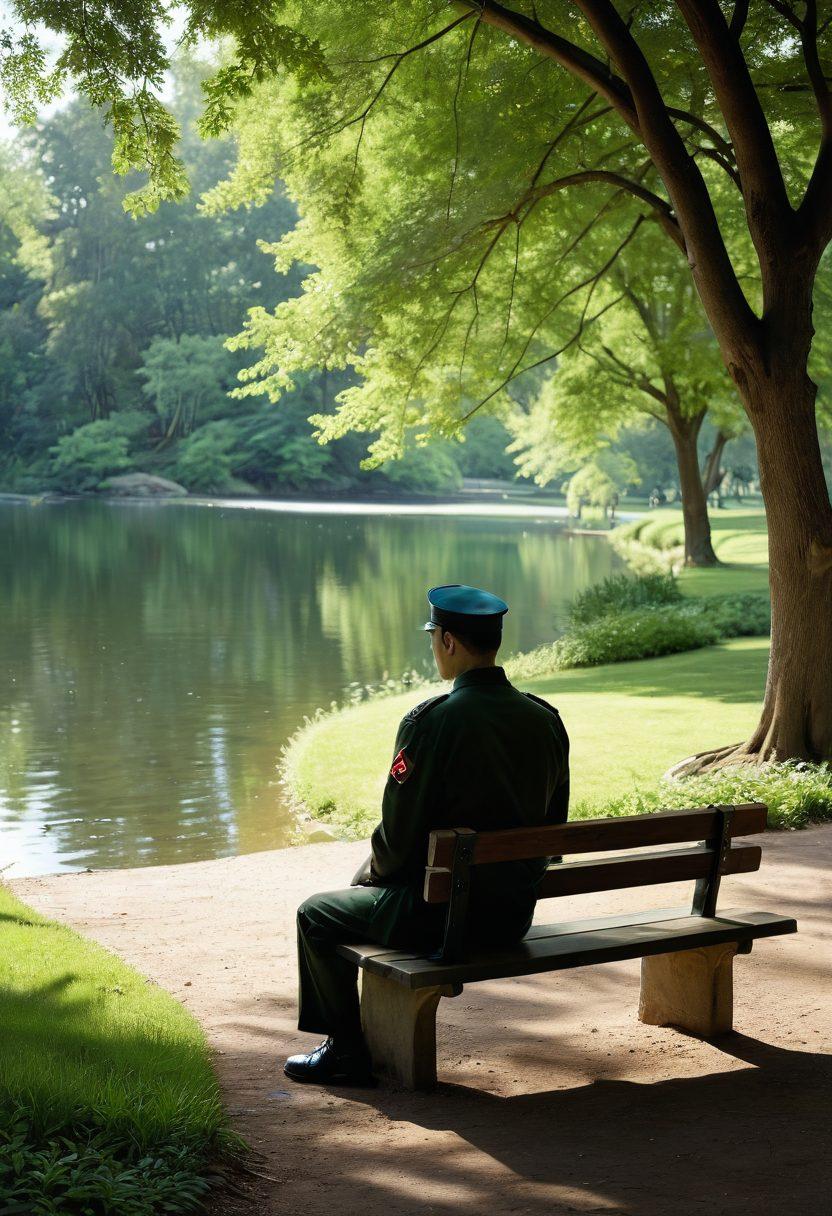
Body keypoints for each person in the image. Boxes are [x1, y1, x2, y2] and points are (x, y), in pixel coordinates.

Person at [284, 583, 570, 1085]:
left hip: (441, 921)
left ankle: (344, 1049)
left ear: (450, 642)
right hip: (511, 916)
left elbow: (396, 839)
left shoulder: (430, 722)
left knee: (317, 913)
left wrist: (369, 878)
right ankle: (343, 1045)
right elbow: (553, 831)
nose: (433, 644)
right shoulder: (545, 719)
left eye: (434, 635)